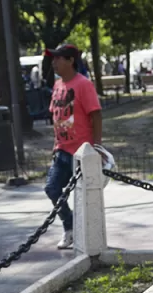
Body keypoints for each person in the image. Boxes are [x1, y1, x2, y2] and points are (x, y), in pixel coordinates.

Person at [44, 43, 101, 250]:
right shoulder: (58, 85)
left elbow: (96, 114)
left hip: (81, 151)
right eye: (53, 58)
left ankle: (89, 235)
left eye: (58, 58)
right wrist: (55, 145)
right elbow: (57, 117)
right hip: (62, 149)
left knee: (83, 196)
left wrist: (97, 147)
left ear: (70, 61)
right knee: (52, 189)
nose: (54, 62)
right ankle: (70, 227)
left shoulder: (83, 84)